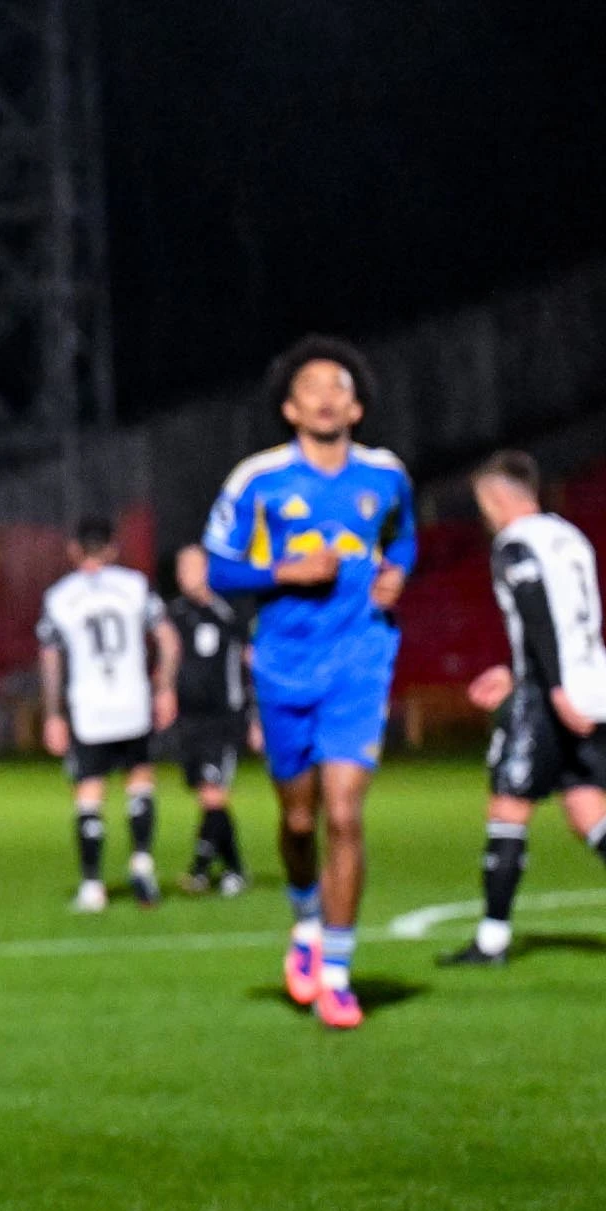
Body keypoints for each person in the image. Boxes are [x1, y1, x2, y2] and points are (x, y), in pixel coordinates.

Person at [201, 335, 416, 1030]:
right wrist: (283, 574)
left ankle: (339, 973)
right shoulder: (257, 479)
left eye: (340, 385)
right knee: (298, 820)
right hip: (284, 665)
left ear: (356, 404)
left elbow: (404, 537)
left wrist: (397, 574)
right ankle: (305, 921)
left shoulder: (386, 475)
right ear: (291, 407)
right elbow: (218, 567)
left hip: (361, 658)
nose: (328, 395)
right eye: (313, 386)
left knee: (345, 812)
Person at [445, 451, 606, 966]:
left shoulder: (515, 545)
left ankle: (492, 941)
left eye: (483, 503)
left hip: (552, 695)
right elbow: (568, 620)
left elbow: (537, 616)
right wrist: (518, 671)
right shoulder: (570, 537)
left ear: (497, 498)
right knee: (587, 811)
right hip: (596, 684)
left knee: (507, 808)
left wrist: (550, 689)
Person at [37, 518, 179, 911]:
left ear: (74, 550)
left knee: (89, 794)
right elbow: (168, 638)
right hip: (134, 702)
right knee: (140, 782)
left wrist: (53, 714)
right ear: (112, 550)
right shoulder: (135, 586)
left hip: (89, 709)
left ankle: (92, 887)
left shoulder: (59, 596)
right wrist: (165, 687)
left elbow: (50, 659)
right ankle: (142, 864)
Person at [165, 545, 257, 896]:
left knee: (213, 795)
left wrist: (256, 718)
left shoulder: (230, 613)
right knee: (205, 794)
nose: (185, 575)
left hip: (224, 719)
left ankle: (218, 870)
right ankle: (215, 871)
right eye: (181, 568)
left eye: (192, 567)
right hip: (189, 721)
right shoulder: (173, 615)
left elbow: (250, 664)